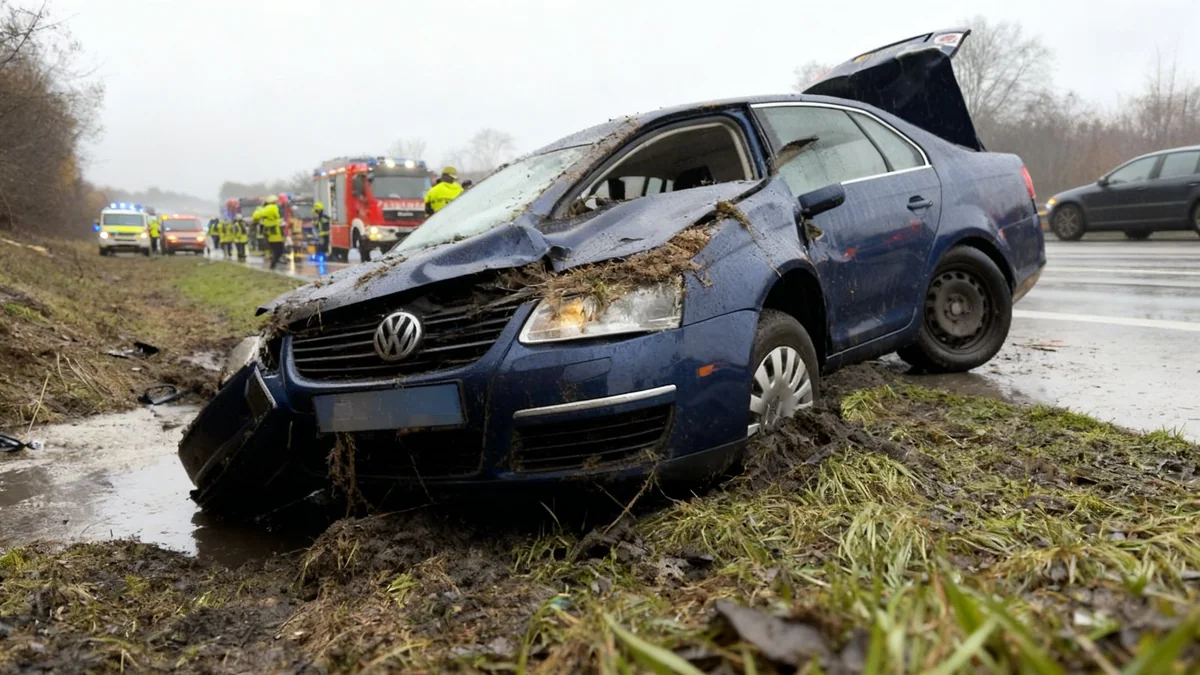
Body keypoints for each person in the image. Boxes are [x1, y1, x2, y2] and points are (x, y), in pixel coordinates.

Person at [253, 195, 285, 270]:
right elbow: (276, 217)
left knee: (275, 249)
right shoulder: (273, 208)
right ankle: (273, 264)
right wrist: (280, 221)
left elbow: (256, 217)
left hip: (269, 234)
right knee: (279, 250)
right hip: (275, 234)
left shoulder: (262, 211)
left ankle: (274, 263)